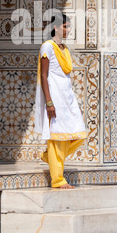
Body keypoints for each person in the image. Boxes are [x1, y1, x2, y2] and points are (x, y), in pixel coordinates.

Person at [34, 13, 87, 189]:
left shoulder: (65, 49)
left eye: (69, 27)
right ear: (55, 28)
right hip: (54, 97)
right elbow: (43, 75)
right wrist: (48, 102)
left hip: (67, 97)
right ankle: (58, 179)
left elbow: (66, 74)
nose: (68, 30)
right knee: (57, 138)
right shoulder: (47, 47)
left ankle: (49, 155)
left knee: (78, 134)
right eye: (65, 27)